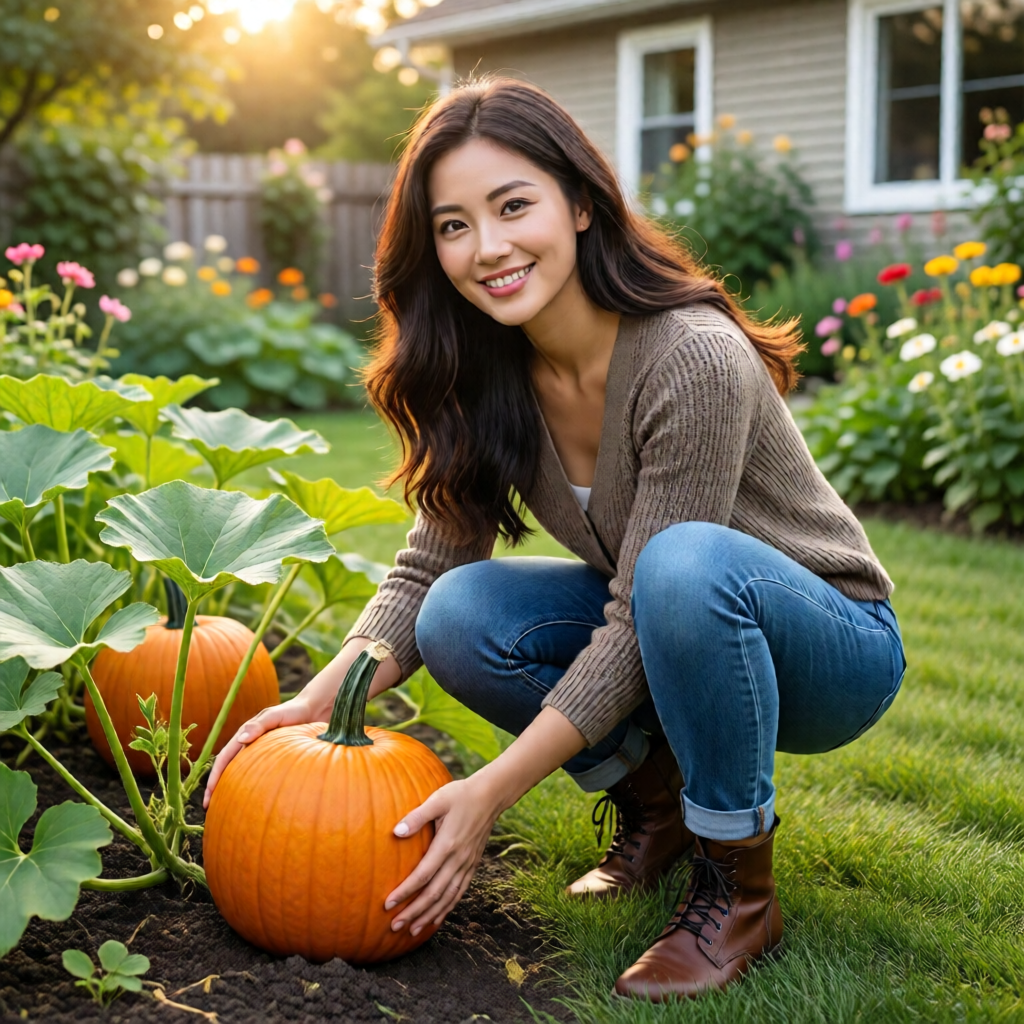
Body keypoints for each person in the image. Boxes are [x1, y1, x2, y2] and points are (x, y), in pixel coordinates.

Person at [205, 78, 905, 1001]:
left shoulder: (690, 356)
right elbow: (426, 570)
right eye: (453, 225)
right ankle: (657, 808)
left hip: (829, 648)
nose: (487, 248)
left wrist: (490, 791)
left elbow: (644, 607)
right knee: (460, 613)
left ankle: (737, 892)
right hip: (668, 617)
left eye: (513, 206)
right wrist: (315, 703)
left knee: (680, 565)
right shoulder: (485, 368)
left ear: (580, 203)